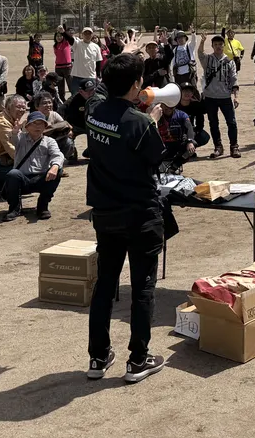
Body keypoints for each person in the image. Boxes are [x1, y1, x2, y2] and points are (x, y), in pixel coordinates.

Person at [85, 52, 167, 383]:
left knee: (106, 285)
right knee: (143, 286)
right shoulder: (140, 122)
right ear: (136, 85)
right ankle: (138, 360)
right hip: (139, 214)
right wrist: (154, 120)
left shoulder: (94, 113)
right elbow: (156, 159)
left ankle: (98, 357)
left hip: (105, 213)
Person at [1, 111, 64, 222]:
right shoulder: (21, 139)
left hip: (41, 178)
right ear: (27, 126)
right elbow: (13, 138)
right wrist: (15, 131)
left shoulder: (49, 141)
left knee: (58, 170)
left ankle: (42, 206)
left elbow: (58, 155)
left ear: (45, 127)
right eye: (34, 123)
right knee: (13, 174)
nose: (38, 127)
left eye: (41, 124)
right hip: (22, 179)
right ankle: (14, 208)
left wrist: (55, 166)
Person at [198, 32, 240, 159]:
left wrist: (236, 96)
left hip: (225, 96)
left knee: (231, 122)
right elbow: (200, 54)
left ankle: (234, 147)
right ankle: (218, 147)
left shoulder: (229, 62)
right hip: (210, 97)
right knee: (213, 123)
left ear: (224, 45)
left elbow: (234, 79)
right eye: (215, 44)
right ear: (212, 46)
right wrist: (202, 41)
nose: (218, 46)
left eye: (220, 44)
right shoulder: (208, 60)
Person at [71, 27, 102, 94]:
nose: (87, 35)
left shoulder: (96, 47)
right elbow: (70, 40)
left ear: (92, 35)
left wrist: (99, 75)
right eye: (85, 34)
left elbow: (98, 61)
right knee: (75, 97)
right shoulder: (77, 44)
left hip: (90, 77)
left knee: (91, 97)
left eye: (89, 34)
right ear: (82, 35)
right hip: (77, 76)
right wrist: (63, 32)